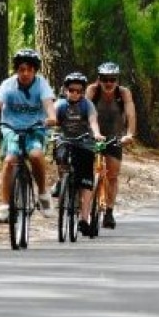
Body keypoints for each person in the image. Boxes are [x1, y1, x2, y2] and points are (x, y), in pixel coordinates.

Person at [0, 49, 57, 222]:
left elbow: (48, 104)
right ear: (17, 70)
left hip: (35, 128)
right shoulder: (8, 84)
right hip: (11, 128)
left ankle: (43, 194)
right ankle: (5, 205)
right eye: (22, 69)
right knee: (10, 161)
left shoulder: (41, 84)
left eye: (29, 70)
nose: (25, 73)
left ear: (35, 71)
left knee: (36, 155)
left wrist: (52, 117)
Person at [85, 62, 136, 229]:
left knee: (113, 174)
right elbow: (84, 109)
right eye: (105, 79)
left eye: (112, 79)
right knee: (86, 170)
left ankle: (109, 211)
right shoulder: (93, 91)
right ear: (99, 79)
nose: (108, 83)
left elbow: (130, 113)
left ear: (117, 80)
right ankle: (83, 209)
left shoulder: (123, 93)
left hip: (114, 137)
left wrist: (129, 134)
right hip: (93, 136)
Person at [53, 72, 105, 237]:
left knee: (85, 182)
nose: (75, 93)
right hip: (65, 141)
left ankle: (84, 218)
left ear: (83, 92)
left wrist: (96, 134)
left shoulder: (87, 105)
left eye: (79, 91)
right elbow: (51, 118)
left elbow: (93, 121)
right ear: (66, 90)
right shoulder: (60, 105)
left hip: (84, 144)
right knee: (60, 157)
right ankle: (61, 181)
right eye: (71, 90)